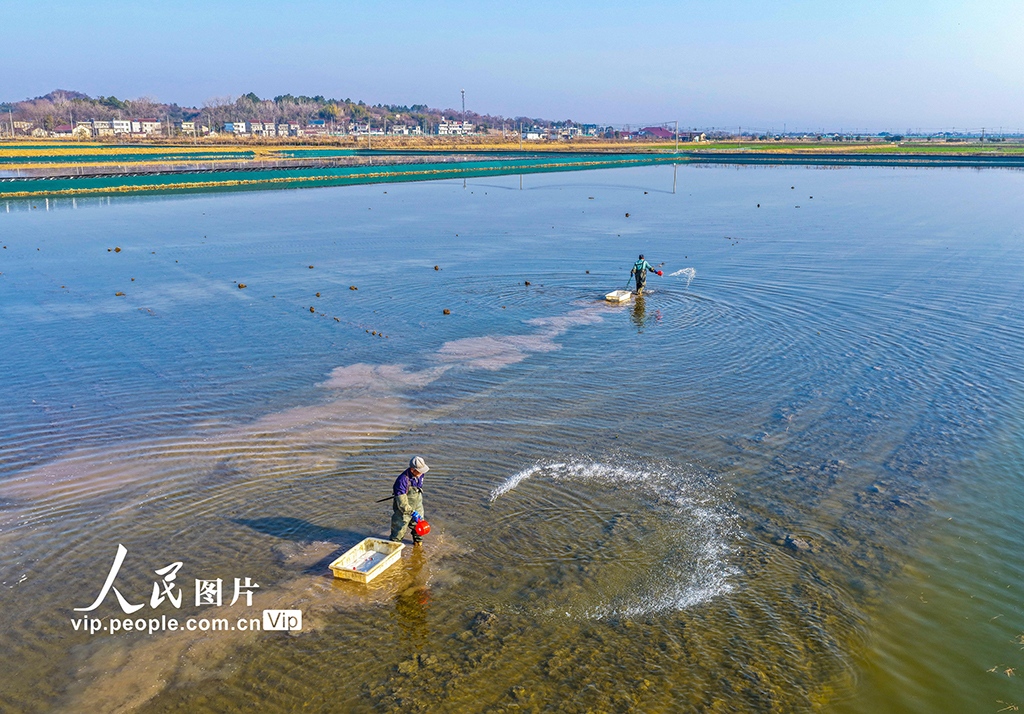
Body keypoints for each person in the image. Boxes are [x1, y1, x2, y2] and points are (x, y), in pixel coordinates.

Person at [390, 456, 429, 544]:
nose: (422, 473)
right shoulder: (402, 480)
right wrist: (412, 512)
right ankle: (394, 549)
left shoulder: (420, 474)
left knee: (419, 529)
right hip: (403, 509)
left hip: (417, 504)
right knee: (398, 530)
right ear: (412, 469)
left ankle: (418, 545)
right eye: (420, 471)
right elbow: (402, 504)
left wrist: (416, 511)